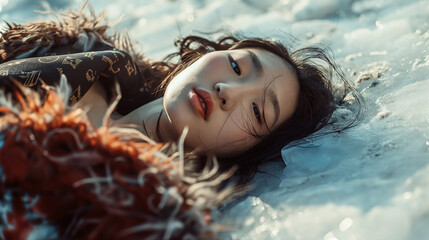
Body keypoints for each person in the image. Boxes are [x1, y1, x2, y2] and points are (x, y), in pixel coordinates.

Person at [0, 11, 363, 184]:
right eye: (236, 67)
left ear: (250, 152)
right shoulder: (86, 53)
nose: (227, 92)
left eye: (256, 111)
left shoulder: (128, 198)